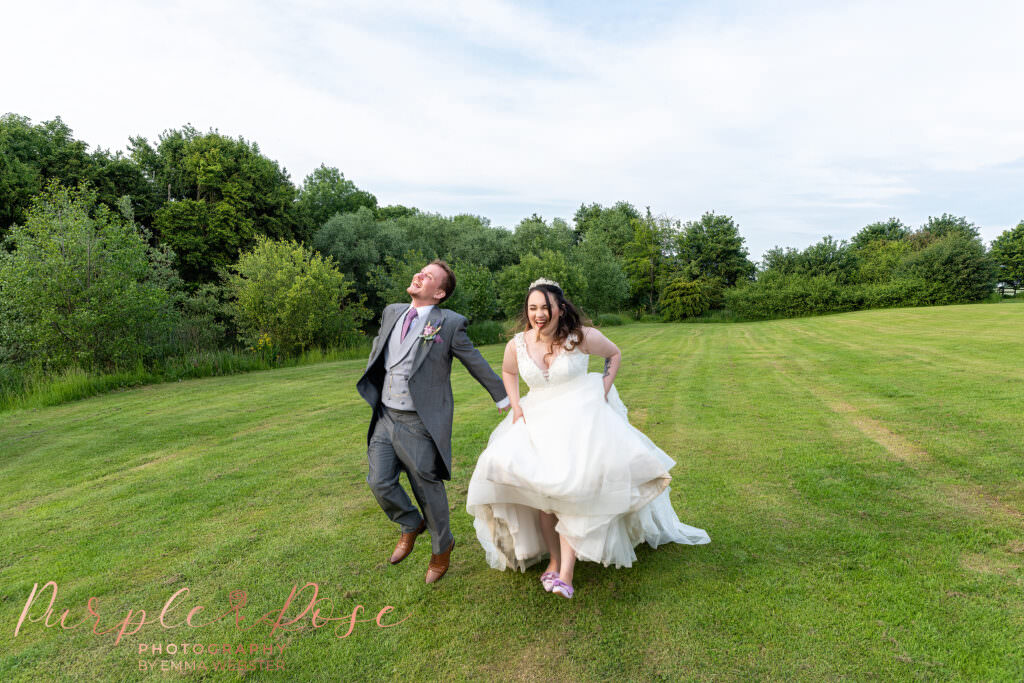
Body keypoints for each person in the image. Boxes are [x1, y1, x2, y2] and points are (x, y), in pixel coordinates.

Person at [466, 278, 710, 598]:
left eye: (545, 307)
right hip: (537, 420)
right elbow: (510, 373)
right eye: (533, 308)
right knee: (541, 493)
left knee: (570, 487)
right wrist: (515, 405)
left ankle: (565, 573)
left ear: (560, 308)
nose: (539, 314)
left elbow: (614, 354)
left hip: (580, 420)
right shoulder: (518, 344)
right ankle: (554, 561)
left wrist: (603, 390)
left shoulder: (581, 336)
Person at [357, 260, 509, 584]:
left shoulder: (450, 323)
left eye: (427, 277)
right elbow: (379, 352)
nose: (418, 276)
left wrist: (504, 397)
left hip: (418, 421)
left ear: (439, 292)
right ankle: (411, 523)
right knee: (378, 482)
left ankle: (442, 548)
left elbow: (475, 361)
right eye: (420, 272)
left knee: (428, 489)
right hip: (384, 415)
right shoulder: (391, 311)